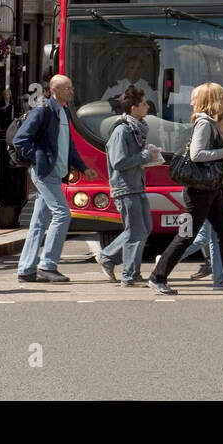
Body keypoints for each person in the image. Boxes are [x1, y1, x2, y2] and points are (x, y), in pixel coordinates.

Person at [148, 83, 223, 295]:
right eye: (221, 97)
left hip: (211, 189)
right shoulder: (204, 123)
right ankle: (158, 276)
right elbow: (196, 154)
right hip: (199, 191)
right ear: (214, 100)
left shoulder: (210, 122)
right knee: (187, 235)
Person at [13, 75, 88, 283]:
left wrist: (83, 167)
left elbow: (69, 144)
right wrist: (38, 158)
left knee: (39, 222)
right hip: (45, 173)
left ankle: (26, 268)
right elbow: (20, 140)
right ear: (55, 90)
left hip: (55, 173)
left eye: (71, 88)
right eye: (67, 89)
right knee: (63, 214)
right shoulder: (43, 111)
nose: (71, 92)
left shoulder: (63, 112)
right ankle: (47, 266)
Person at [96, 86, 160, 287]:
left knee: (144, 229)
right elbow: (119, 161)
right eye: (143, 104)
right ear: (133, 108)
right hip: (125, 187)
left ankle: (108, 257)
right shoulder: (122, 130)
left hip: (136, 184)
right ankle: (129, 274)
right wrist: (146, 155)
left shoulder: (135, 128)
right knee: (135, 232)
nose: (147, 106)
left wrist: (146, 154)